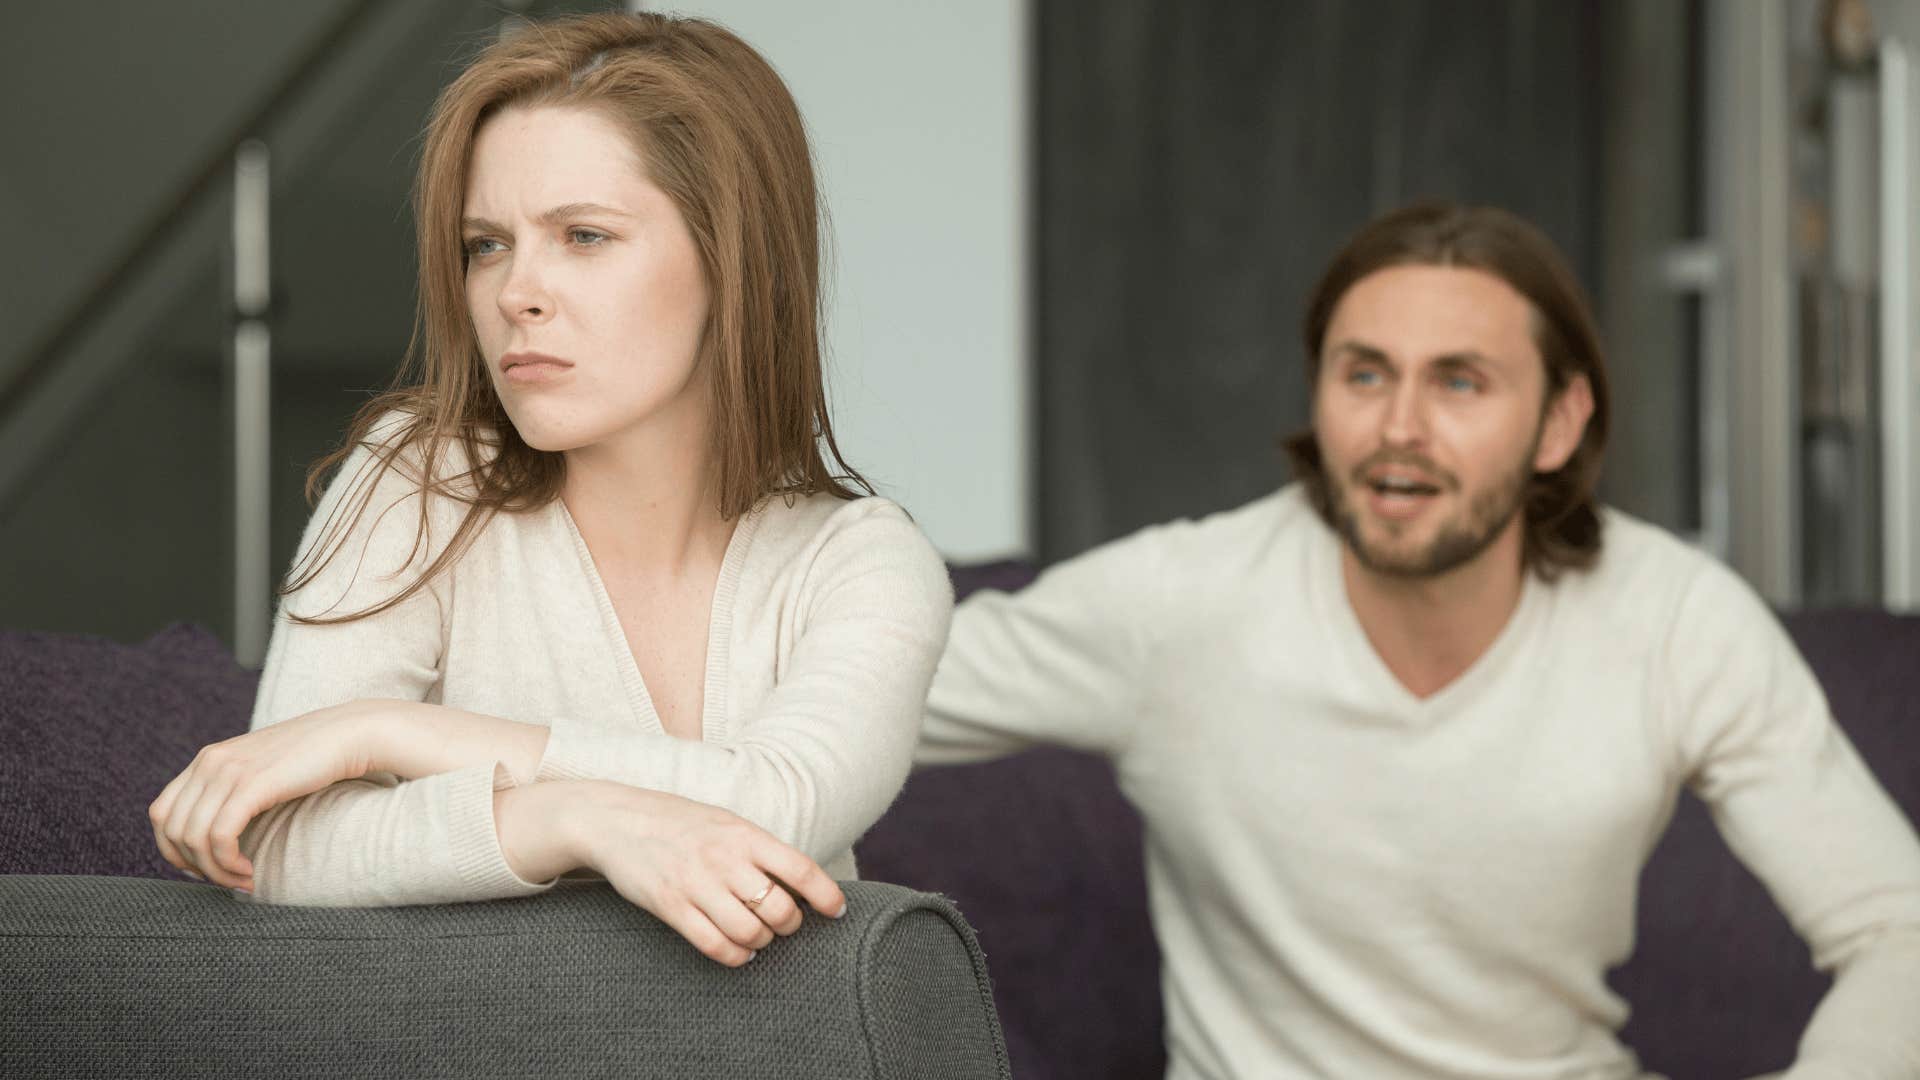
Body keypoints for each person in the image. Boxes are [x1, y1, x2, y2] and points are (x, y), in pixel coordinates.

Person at [919, 202, 1920, 1077]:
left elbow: (1899, 929)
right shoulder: (1178, 603)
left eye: (1460, 383)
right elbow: (866, 690)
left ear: (1561, 421)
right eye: (1365, 374)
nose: (1400, 426)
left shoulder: (1675, 618)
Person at [147, 12, 952, 968]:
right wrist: (570, 818)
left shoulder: (863, 563)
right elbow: (272, 845)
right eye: (486, 244)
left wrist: (384, 732)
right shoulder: (413, 485)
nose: (515, 293)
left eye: (583, 235)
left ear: (734, 265)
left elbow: (772, 807)